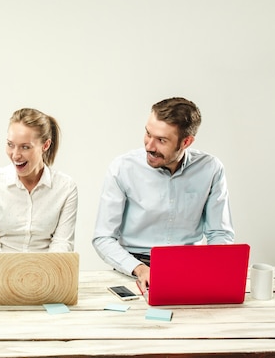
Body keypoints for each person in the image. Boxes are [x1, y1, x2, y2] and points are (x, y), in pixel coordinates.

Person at [92, 97, 235, 292]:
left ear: (186, 141)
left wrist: (211, 269)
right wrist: (140, 270)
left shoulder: (210, 169)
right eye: (148, 133)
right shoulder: (122, 168)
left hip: (189, 267)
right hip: (133, 267)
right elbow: (103, 238)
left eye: (161, 140)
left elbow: (219, 233)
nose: (149, 146)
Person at [0, 108, 78, 256]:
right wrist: (10, 271)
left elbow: (62, 243)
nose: (15, 155)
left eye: (25, 147)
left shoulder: (66, 188)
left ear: (45, 145)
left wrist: (40, 273)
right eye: (10, 145)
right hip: (2, 271)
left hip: (47, 272)